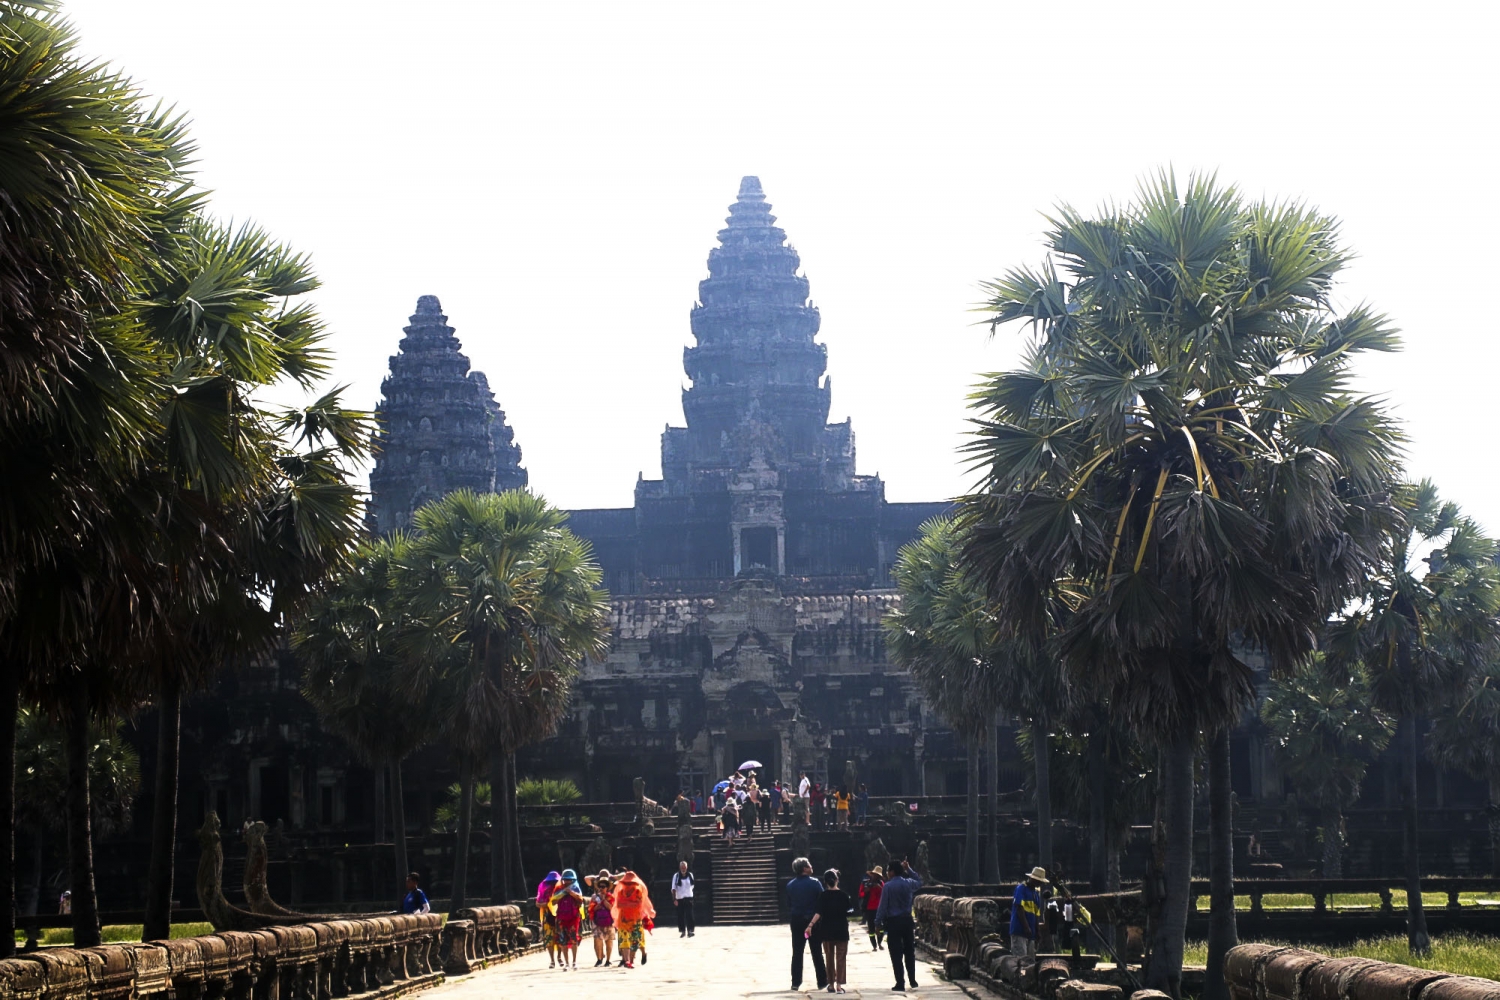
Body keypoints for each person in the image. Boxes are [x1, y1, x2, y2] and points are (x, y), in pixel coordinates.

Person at [875, 859, 923, 992]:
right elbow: (920, 882)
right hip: (907, 921)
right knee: (909, 951)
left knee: (896, 953)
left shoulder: (888, 886)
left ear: (892, 872)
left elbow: (883, 906)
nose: (886, 872)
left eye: (887, 870)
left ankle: (900, 983)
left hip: (894, 922)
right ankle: (912, 980)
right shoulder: (908, 883)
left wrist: (877, 923)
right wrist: (909, 869)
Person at [804, 868, 851, 994]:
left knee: (829, 957)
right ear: (837, 880)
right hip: (841, 929)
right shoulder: (844, 895)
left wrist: (810, 925)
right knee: (841, 958)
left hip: (827, 930)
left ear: (825, 882)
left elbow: (818, 912)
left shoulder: (823, 896)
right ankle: (839, 985)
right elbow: (849, 911)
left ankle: (830, 983)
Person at [786, 856, 828, 991]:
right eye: (809, 865)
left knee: (797, 952)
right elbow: (822, 902)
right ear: (805, 868)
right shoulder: (815, 883)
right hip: (812, 922)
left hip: (797, 920)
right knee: (817, 951)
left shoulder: (790, 885)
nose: (811, 867)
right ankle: (822, 981)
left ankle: (796, 982)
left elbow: (789, 904)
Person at [611, 870, 655, 969]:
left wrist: (626, 904)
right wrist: (630, 904)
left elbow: (638, 904)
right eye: (626, 883)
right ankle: (627, 961)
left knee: (636, 940)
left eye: (630, 883)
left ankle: (633, 959)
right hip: (623, 920)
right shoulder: (621, 892)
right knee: (624, 940)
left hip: (635, 920)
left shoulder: (638, 892)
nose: (628, 885)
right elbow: (618, 904)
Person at [1010, 866, 1048, 959]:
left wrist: (1038, 931)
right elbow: (1019, 908)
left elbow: (1036, 915)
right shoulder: (1021, 888)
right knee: (1020, 960)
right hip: (1020, 930)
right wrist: (1026, 927)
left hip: (1031, 933)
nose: (1040, 883)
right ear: (1033, 879)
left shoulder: (1035, 894)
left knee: (1030, 962)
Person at [552, 869, 585, 970]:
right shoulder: (558, 889)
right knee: (563, 941)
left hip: (573, 918)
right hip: (561, 918)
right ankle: (566, 963)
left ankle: (574, 961)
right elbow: (553, 901)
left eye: (569, 880)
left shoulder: (576, 889)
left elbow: (581, 900)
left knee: (574, 939)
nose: (567, 882)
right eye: (565, 880)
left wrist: (571, 893)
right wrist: (563, 893)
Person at [587, 871, 616, 967]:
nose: (601, 888)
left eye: (603, 886)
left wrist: (604, 900)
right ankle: (599, 959)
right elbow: (591, 909)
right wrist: (597, 906)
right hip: (597, 921)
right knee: (597, 940)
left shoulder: (611, 897)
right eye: (600, 886)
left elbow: (612, 908)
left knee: (609, 941)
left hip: (609, 921)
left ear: (607, 887)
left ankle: (608, 960)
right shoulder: (594, 897)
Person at [536, 871, 562, 968]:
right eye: (551, 882)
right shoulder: (543, 889)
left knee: (560, 938)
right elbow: (537, 903)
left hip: (560, 916)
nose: (553, 884)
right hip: (547, 917)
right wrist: (547, 904)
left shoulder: (561, 890)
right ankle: (552, 960)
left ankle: (559, 957)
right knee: (548, 939)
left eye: (555, 881)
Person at [859, 867, 885, 950]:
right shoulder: (865, 883)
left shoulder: (881, 883)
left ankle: (880, 943)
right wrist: (866, 891)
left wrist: (878, 887)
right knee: (871, 928)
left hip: (879, 908)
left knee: (880, 927)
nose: (875, 877)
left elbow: (885, 893)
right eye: (874, 875)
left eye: (877, 875)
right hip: (869, 908)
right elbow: (860, 894)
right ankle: (874, 945)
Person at [671, 860, 696, 938]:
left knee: (690, 915)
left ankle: (690, 931)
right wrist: (674, 899)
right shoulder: (676, 876)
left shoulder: (690, 875)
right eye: (682, 867)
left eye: (684, 867)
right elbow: (673, 888)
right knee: (680, 915)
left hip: (688, 897)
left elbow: (692, 886)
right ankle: (682, 931)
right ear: (680, 867)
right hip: (680, 898)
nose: (683, 869)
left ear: (686, 867)